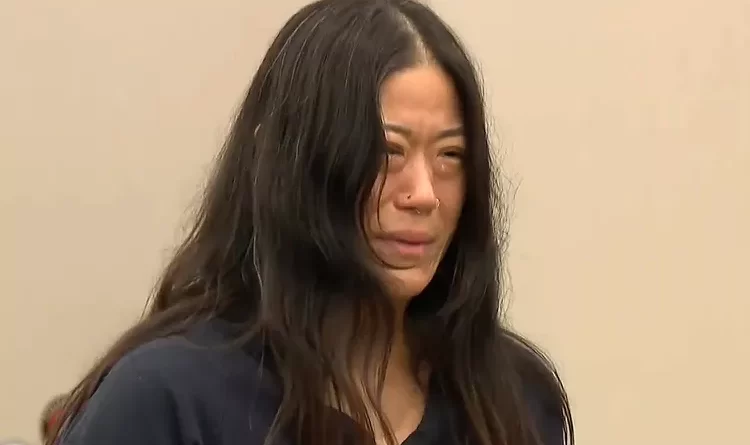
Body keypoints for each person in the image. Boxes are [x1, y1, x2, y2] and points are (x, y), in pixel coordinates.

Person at [50, 0, 574, 444]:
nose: (423, 194)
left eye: (450, 156)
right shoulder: (168, 399)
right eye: (387, 151)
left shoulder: (513, 399)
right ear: (291, 166)